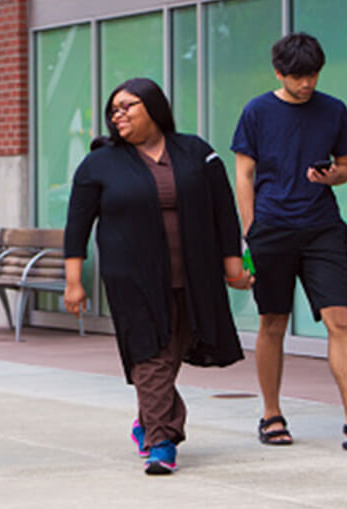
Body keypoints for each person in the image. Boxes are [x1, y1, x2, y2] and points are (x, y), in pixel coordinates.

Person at [62, 78, 249, 476]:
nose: (119, 115)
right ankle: (161, 440)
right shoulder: (100, 162)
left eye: (128, 106)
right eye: (114, 109)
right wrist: (73, 281)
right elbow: (77, 225)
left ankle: (148, 420)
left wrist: (234, 265)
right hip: (131, 277)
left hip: (192, 275)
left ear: (154, 107)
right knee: (150, 354)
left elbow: (223, 211)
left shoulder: (196, 152)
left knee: (171, 352)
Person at [231, 32, 347, 449]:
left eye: (312, 76)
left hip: (323, 225)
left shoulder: (334, 111)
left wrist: (332, 176)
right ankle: (271, 415)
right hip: (271, 228)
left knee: (341, 320)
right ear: (279, 73)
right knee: (273, 322)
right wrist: (251, 233)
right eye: (297, 77)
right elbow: (244, 176)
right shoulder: (257, 111)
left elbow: (346, 169)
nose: (306, 84)